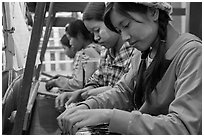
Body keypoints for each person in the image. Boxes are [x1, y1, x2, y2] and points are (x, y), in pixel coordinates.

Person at [57, 2, 202, 135]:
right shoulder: (141, 55)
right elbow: (123, 92)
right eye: (119, 31)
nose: (125, 37)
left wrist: (108, 115)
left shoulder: (192, 53)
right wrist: (88, 106)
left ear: (153, 12)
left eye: (126, 25)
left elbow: (183, 127)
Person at [55, 2, 137, 110]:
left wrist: (88, 94)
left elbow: (126, 92)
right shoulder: (105, 52)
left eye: (97, 30)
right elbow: (96, 79)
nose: (96, 37)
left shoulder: (134, 53)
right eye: (92, 33)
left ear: (112, 21)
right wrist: (82, 93)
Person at [45, 19, 101, 92]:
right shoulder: (97, 48)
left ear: (79, 35)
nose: (70, 43)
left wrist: (56, 82)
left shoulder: (85, 53)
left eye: (70, 38)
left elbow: (78, 84)